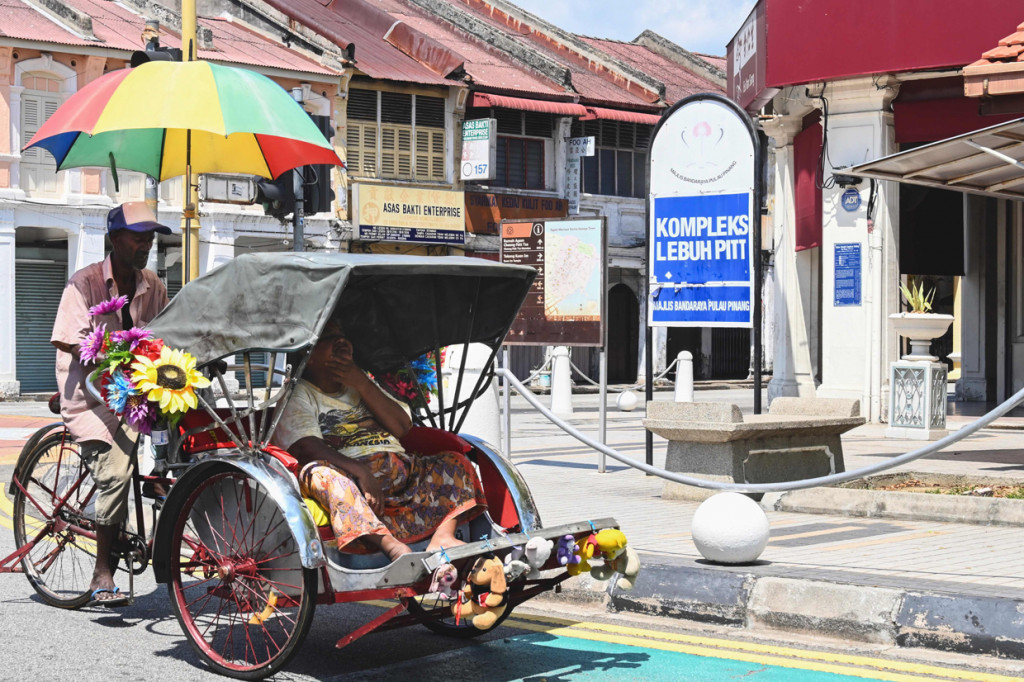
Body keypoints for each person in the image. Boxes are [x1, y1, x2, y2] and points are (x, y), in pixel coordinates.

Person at [272, 319, 487, 561]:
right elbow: (306, 447)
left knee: (455, 461)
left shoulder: (360, 384)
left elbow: (402, 426)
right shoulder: (299, 393)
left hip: (400, 470)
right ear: (308, 354)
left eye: (343, 335)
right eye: (329, 336)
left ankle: (443, 537)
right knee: (325, 476)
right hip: (349, 476)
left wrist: (361, 383)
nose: (340, 341)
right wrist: (360, 472)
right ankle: (391, 547)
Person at [50, 202, 172, 607]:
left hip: (138, 393)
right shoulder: (83, 284)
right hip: (93, 397)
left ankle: (163, 497)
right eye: (138, 238)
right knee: (117, 474)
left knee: (186, 442)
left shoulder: (153, 284)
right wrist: (112, 352)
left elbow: (167, 334)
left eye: (150, 238)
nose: (146, 245)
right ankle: (102, 572)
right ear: (114, 239)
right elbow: (74, 342)